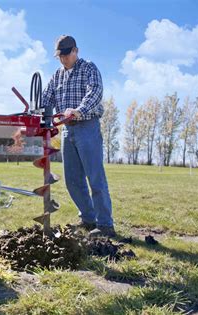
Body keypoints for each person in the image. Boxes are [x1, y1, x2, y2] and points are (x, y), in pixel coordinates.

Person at [42, 35, 115, 237]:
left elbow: (96, 91)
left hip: (87, 126)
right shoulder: (57, 75)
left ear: (76, 51)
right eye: (60, 56)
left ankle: (106, 225)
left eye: (66, 54)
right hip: (68, 130)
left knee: (95, 177)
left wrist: (79, 110)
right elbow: (47, 97)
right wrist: (40, 112)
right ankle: (88, 219)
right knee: (72, 180)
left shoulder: (88, 68)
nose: (63, 59)